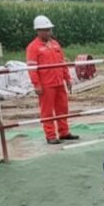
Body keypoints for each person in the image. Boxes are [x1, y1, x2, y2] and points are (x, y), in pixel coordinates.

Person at [26, 15, 78, 145]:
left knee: (63, 108)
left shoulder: (55, 44)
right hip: (46, 85)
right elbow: (32, 68)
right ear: (38, 31)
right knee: (47, 111)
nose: (49, 32)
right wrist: (37, 84)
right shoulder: (33, 47)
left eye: (49, 29)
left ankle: (64, 132)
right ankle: (50, 135)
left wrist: (67, 78)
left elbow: (62, 63)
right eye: (46, 30)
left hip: (59, 82)